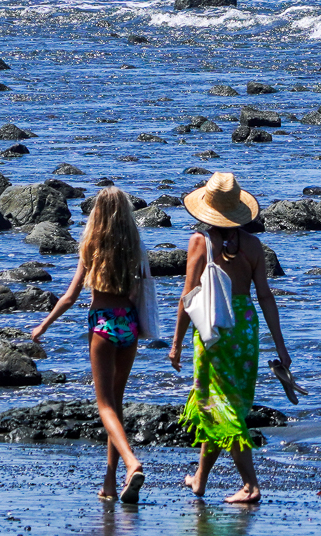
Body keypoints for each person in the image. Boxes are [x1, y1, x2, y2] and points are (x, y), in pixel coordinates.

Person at [171, 172, 292, 504]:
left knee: (220, 407)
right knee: (224, 403)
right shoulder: (253, 245)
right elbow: (265, 296)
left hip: (214, 327)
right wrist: (280, 344)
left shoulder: (200, 242)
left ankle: (251, 485)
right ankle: (200, 478)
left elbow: (188, 296)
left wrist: (177, 342)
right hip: (245, 328)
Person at [32, 186, 152, 503]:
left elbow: (71, 296)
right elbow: (138, 292)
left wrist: (44, 324)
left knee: (105, 406)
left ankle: (131, 462)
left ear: (97, 213)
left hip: (102, 323)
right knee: (117, 403)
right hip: (129, 324)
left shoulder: (92, 245)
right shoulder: (134, 247)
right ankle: (110, 483)